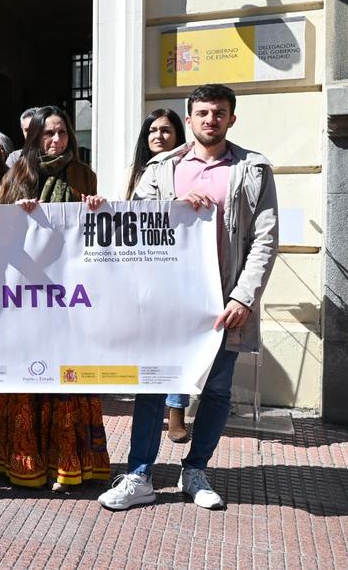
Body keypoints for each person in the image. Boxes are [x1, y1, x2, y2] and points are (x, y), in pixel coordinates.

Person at [99, 84, 279, 511]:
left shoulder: (252, 169)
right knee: (151, 387)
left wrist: (243, 298)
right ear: (190, 117)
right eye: (202, 112)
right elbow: (135, 224)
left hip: (223, 306)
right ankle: (140, 474)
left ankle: (195, 470)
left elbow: (266, 239)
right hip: (166, 304)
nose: (210, 119)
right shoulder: (162, 167)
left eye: (219, 112)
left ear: (231, 118)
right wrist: (174, 206)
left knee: (215, 392)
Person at [0, 106, 110, 492]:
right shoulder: (15, 176)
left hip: (68, 297)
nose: (55, 140)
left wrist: (97, 211)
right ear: (34, 137)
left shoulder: (82, 175)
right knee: (27, 377)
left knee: (66, 378)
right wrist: (14, 214)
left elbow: (94, 240)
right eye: (47, 134)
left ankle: (67, 463)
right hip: (24, 297)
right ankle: (24, 462)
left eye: (61, 133)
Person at [124, 109, 189, 441]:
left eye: (166, 130)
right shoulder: (138, 172)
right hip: (145, 270)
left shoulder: (185, 166)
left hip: (175, 269)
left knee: (175, 341)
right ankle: (153, 403)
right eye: (153, 130)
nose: (159, 136)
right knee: (151, 343)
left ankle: (176, 411)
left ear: (178, 134)